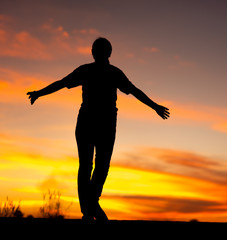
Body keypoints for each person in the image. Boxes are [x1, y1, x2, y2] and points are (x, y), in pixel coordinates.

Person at [27, 37, 170, 222]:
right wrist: (39, 93)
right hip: (91, 121)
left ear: (103, 53)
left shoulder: (112, 73)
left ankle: (91, 205)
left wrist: (155, 106)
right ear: (96, 52)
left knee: (99, 166)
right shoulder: (90, 70)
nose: (98, 53)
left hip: (104, 123)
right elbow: (62, 83)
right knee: (88, 166)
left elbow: (134, 90)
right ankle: (89, 209)